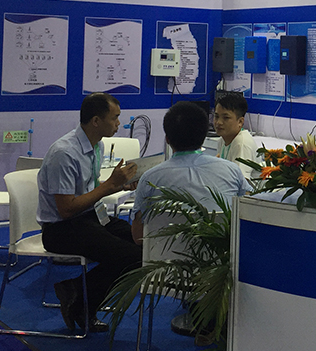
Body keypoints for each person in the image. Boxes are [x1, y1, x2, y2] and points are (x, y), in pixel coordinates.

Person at [37, 92, 142, 333]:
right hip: (60, 229)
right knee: (130, 256)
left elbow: (89, 191)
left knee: (141, 244)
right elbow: (66, 209)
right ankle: (79, 297)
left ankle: (78, 295)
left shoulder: (97, 146)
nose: (118, 124)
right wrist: (109, 186)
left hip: (89, 218)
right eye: (114, 118)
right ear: (96, 121)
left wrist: (118, 185)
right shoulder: (64, 153)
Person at [131, 100, 253, 242]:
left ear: (167, 139)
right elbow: (248, 211)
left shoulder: (150, 178)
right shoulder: (232, 171)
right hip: (219, 254)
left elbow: (138, 237)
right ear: (203, 136)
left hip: (162, 254)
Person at [213, 91, 259, 183]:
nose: (219, 122)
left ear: (240, 122)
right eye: (216, 116)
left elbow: (241, 184)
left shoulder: (242, 143)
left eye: (226, 118)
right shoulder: (223, 139)